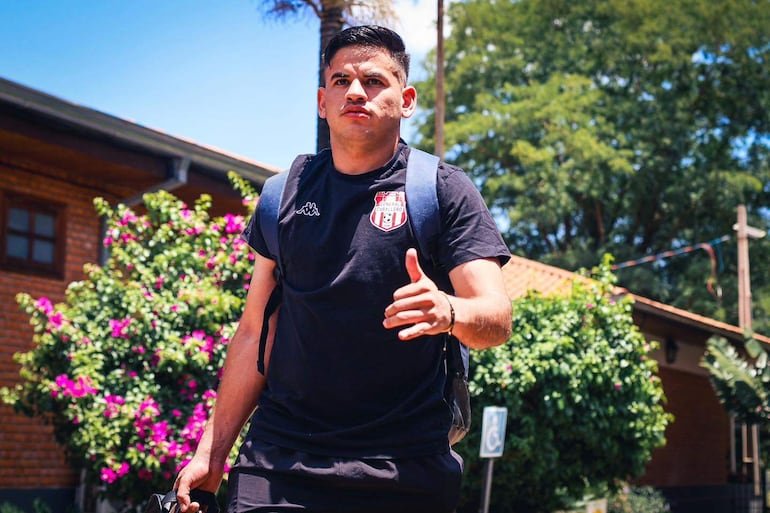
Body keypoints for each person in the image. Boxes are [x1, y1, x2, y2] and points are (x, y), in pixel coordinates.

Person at [174, 25, 512, 513]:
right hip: (278, 462)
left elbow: (496, 318)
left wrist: (449, 311)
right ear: (322, 101)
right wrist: (212, 453)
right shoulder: (282, 195)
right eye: (340, 81)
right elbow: (254, 333)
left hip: (405, 469)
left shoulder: (441, 190)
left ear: (407, 100)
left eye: (373, 81)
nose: (355, 92)